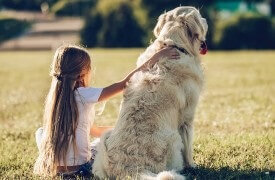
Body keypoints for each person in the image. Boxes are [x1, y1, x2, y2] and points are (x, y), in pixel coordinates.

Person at [33, 44, 179, 178]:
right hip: (81, 167)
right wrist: (157, 56)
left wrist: (121, 130)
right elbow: (125, 83)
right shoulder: (83, 94)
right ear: (83, 72)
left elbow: (93, 130)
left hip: (58, 169)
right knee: (102, 144)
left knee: (41, 132)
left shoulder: (56, 97)